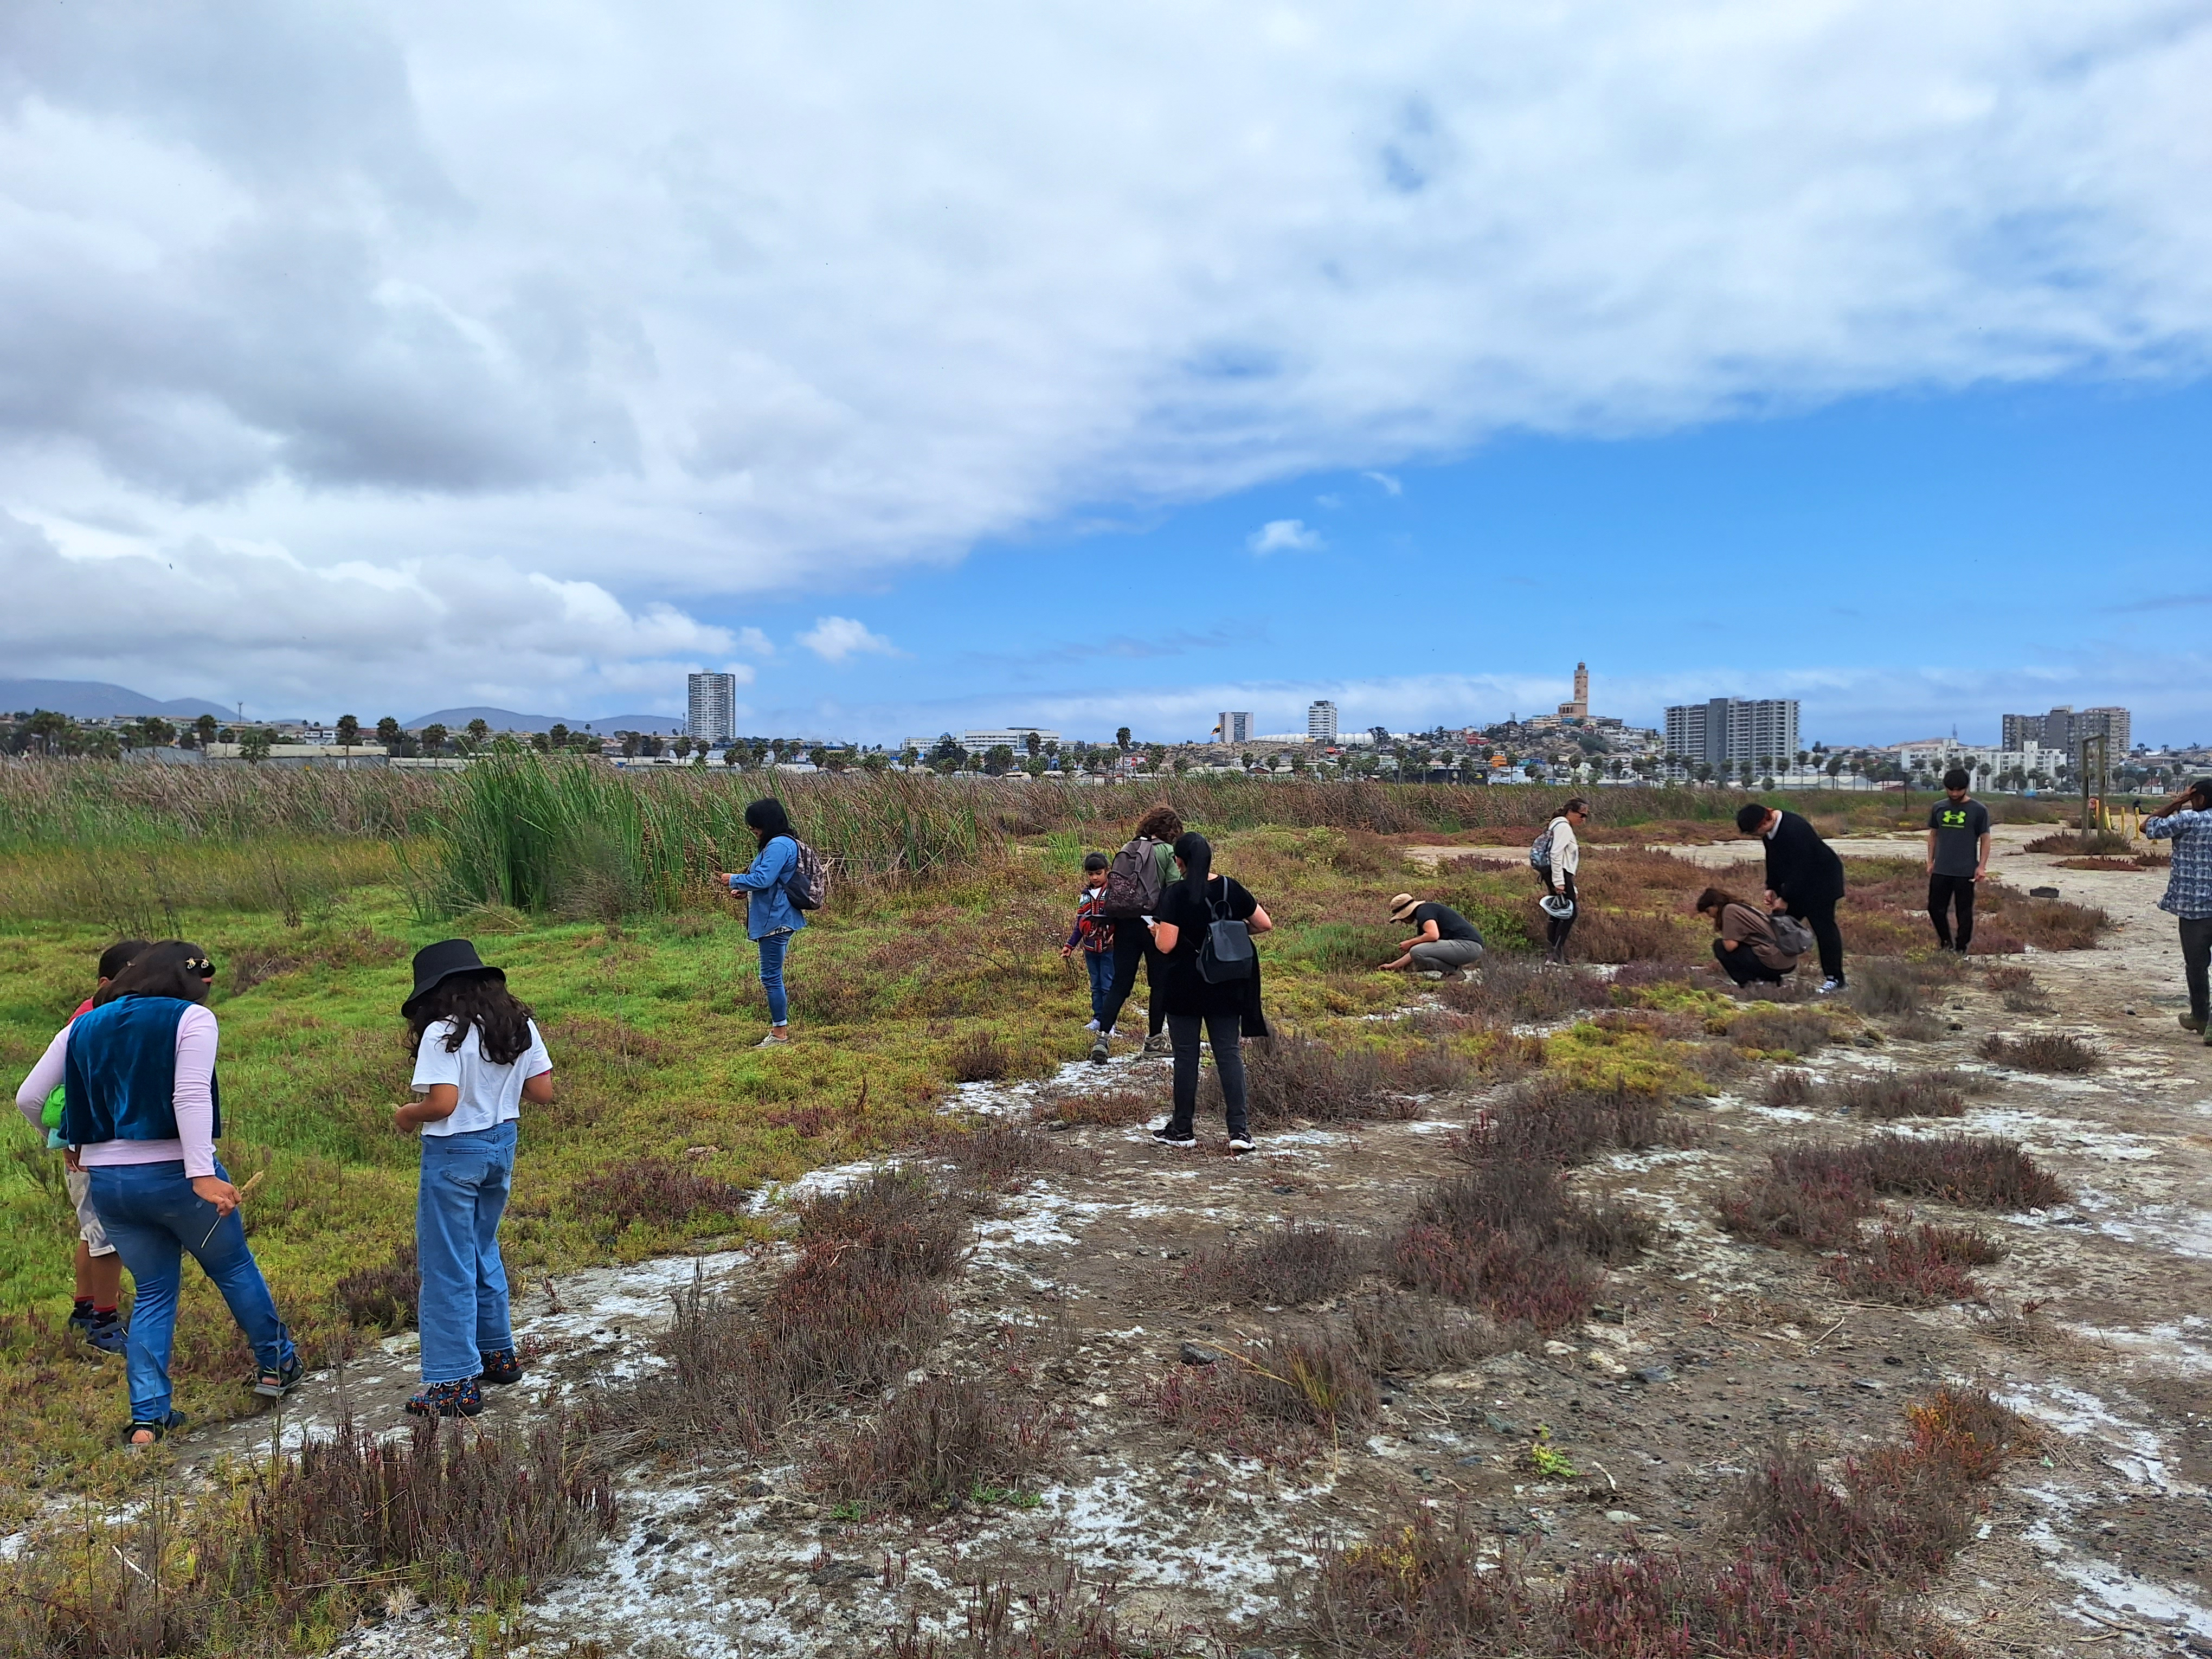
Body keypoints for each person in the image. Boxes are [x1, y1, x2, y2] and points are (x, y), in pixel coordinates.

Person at [14, 941, 298, 1446]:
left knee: (152, 1291)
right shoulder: (190, 1018)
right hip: (175, 1174)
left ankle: (148, 1418)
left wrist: (70, 1143)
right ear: (184, 982)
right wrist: (201, 1173)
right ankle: (277, 1367)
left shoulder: (83, 1024)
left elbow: (29, 1097)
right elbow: (189, 1094)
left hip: (111, 1184)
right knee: (233, 1268)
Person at [395, 940, 553, 1418]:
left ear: (434, 993)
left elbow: (442, 1103)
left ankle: (453, 1383)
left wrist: (407, 1114)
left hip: (454, 1152)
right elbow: (542, 1091)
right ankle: (497, 1353)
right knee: (483, 1247)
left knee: (447, 1264)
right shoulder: (518, 1024)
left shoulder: (443, 1032)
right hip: (502, 1144)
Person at [29, 938, 150, 1355]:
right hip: (93, 1148)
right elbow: (31, 1097)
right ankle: (104, 1323)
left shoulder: (92, 1014)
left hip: (90, 1143)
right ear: (106, 983)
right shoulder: (92, 1024)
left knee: (91, 1231)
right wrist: (68, 1138)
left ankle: (84, 1310)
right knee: (107, 1237)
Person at [1147, 832, 1272, 1152]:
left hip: (1184, 985)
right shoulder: (1231, 888)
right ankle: (1239, 1132)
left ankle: (1183, 1129)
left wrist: (1156, 930)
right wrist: (1230, 932)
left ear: (1180, 861)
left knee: (1186, 1057)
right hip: (1226, 983)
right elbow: (1264, 924)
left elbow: (1166, 945)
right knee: (1229, 1054)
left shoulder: (1175, 894)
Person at [1093, 804, 1183, 1062]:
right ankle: (1154, 1041)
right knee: (1159, 984)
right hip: (1155, 924)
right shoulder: (1167, 851)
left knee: (1120, 983)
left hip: (1125, 924)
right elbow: (1174, 888)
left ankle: (1102, 1039)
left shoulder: (1128, 847)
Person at [720, 797, 807, 1046]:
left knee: (771, 976)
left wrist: (734, 879)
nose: (753, 830)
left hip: (776, 919)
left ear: (766, 823)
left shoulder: (778, 845)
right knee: (772, 975)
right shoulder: (782, 842)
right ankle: (779, 1030)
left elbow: (763, 879)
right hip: (778, 916)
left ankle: (780, 1034)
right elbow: (770, 881)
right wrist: (744, 890)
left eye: (755, 825)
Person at [1736, 802, 1848, 993]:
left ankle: (1835, 979)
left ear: (1765, 821)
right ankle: (1769, 975)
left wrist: (1785, 898)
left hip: (1822, 882)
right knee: (1777, 928)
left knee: (1824, 929)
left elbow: (1802, 868)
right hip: (1799, 883)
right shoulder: (1769, 832)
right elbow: (1773, 859)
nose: (1756, 836)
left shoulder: (1795, 829)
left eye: (1755, 832)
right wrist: (1771, 887)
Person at [2144, 778, 2212, 1045]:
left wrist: (2177, 802)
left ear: (2199, 799)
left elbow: (2148, 826)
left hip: (2193, 909)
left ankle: (2201, 1017)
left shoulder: (2188, 820)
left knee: (2196, 966)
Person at [1926, 768, 1992, 953]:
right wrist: (1930, 861)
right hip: (1942, 868)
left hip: (1965, 870)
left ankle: (1961, 948)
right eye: (1951, 790)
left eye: (1959, 790)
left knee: (1964, 912)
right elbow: (1933, 835)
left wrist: (1982, 867)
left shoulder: (1979, 810)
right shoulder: (1939, 807)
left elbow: (1985, 839)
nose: (1955, 794)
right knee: (1935, 908)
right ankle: (1946, 943)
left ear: (1966, 788)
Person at [1062, 853, 1118, 1034]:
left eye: (1098, 873)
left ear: (1107, 871)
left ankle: (1109, 1023)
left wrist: (1118, 934)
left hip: (1109, 949)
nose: (1094, 878)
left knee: (1107, 985)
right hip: (1090, 948)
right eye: (1090, 874)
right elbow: (1080, 923)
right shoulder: (1085, 896)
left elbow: (1121, 918)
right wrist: (1070, 945)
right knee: (1095, 986)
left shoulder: (1113, 893)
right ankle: (1097, 1018)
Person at [1696, 886, 1797, 987]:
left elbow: (1730, 946)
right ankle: (1772, 981)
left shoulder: (1729, 910)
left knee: (1720, 946)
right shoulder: (1742, 907)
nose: (1709, 915)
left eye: (1708, 911)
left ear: (1715, 905)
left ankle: (1748, 985)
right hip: (1788, 960)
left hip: (1775, 960)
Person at [1533, 798, 1589, 964]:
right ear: (1570, 812)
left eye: (1586, 816)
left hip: (1558, 874)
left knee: (1558, 912)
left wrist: (1570, 885)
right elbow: (1556, 854)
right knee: (1570, 913)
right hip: (1560, 874)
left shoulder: (1558, 825)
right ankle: (1556, 954)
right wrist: (1559, 881)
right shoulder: (1563, 827)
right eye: (1581, 815)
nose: (1583, 819)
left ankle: (1553, 953)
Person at [1380, 893, 1485, 976]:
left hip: (1467, 946)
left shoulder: (1424, 910)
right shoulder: (1426, 912)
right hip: (1469, 948)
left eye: (1401, 918)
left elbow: (1433, 935)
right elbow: (1418, 951)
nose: (1402, 921)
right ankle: (1453, 972)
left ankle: (1453, 972)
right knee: (1417, 952)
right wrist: (1392, 966)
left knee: (1417, 951)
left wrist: (1410, 943)